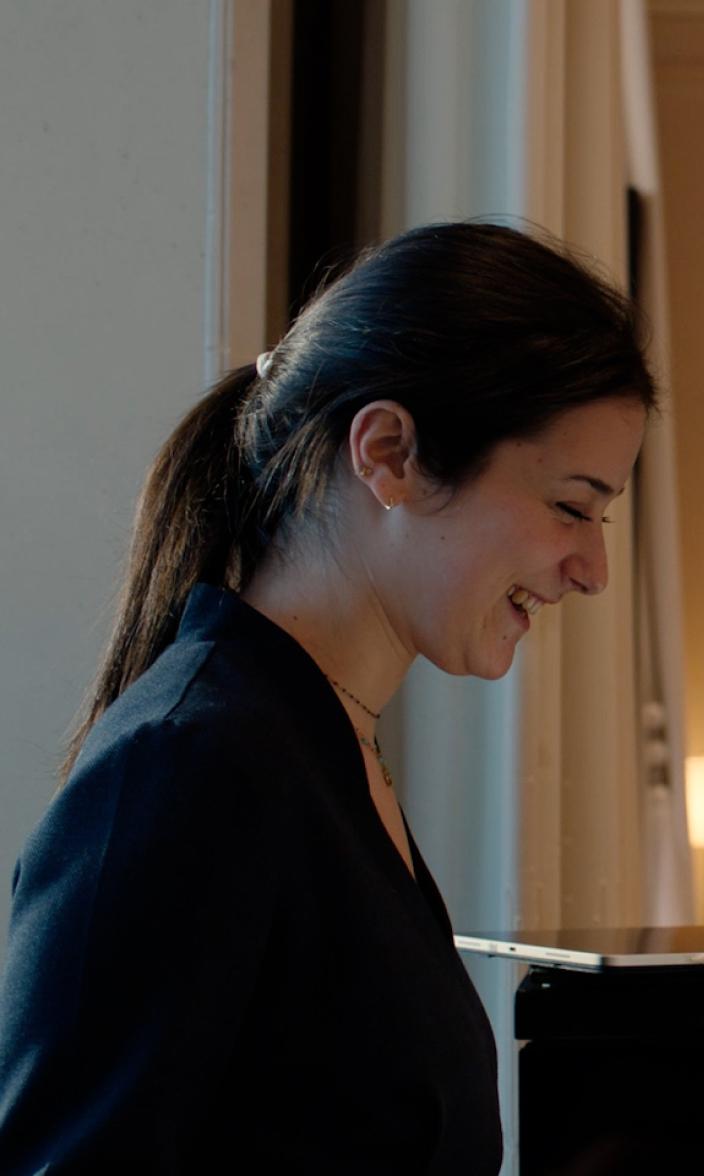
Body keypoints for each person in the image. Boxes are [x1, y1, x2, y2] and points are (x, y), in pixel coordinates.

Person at [0, 222, 654, 1170]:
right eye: (570, 505)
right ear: (387, 450)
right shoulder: (190, 766)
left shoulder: (323, 752)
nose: (592, 568)